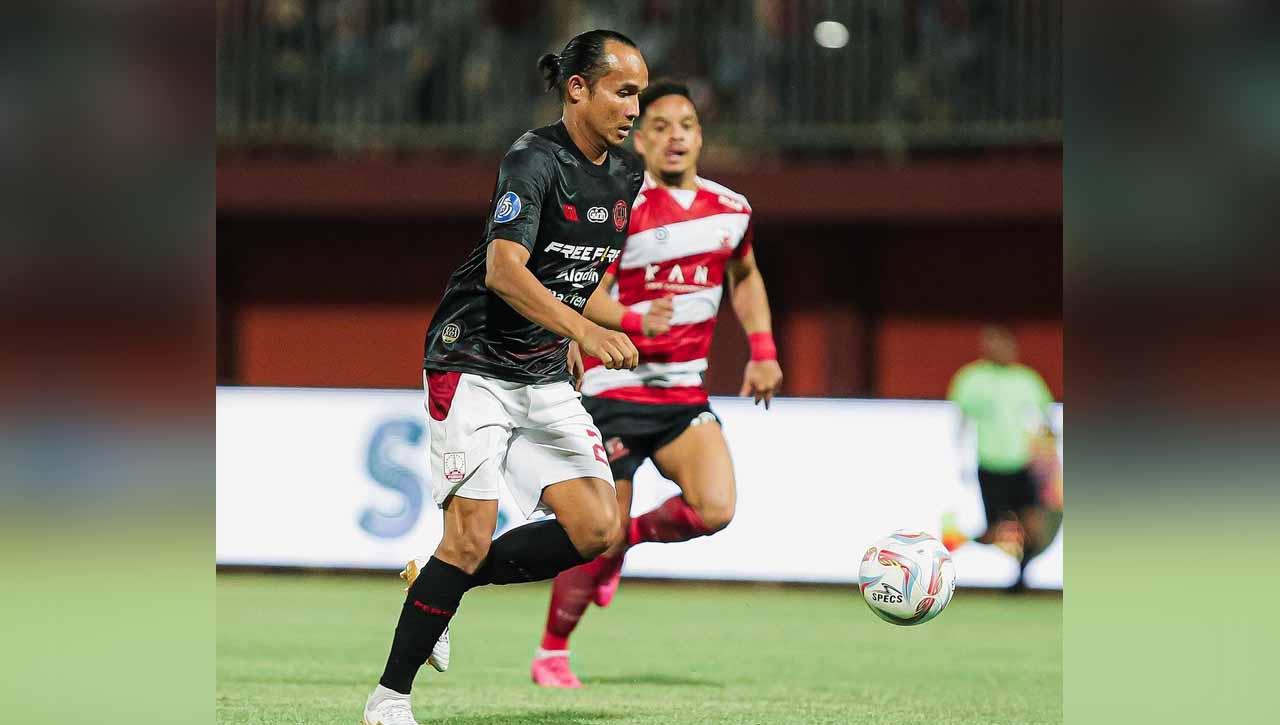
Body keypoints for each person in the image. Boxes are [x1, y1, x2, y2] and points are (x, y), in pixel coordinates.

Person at [361, 30, 649, 725]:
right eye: (624, 89)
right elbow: (504, 270)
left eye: (639, 91)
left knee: (598, 526)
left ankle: (439, 585)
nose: (634, 106)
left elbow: (587, 261)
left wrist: (570, 323)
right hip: (474, 362)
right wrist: (585, 328)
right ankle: (388, 698)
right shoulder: (533, 158)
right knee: (467, 537)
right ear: (578, 88)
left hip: (543, 367)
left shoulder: (625, 172)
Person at [528, 80, 784, 688]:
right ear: (640, 139)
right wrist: (620, 324)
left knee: (716, 509)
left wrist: (763, 349)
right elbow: (583, 290)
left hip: (682, 393)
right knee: (592, 533)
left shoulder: (732, 210)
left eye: (687, 126)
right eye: (661, 126)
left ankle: (628, 542)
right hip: (612, 392)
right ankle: (551, 652)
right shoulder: (619, 206)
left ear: (700, 137)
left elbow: (745, 276)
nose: (675, 137)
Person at [943, 325, 1056, 593]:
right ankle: (950, 545)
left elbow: (1046, 420)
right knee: (994, 531)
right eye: (990, 342)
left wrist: (1047, 459)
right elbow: (960, 421)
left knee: (1034, 527)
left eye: (1001, 342)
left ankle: (1020, 580)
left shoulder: (1028, 380)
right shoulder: (971, 378)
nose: (997, 348)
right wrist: (958, 459)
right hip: (990, 464)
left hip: (1021, 464)